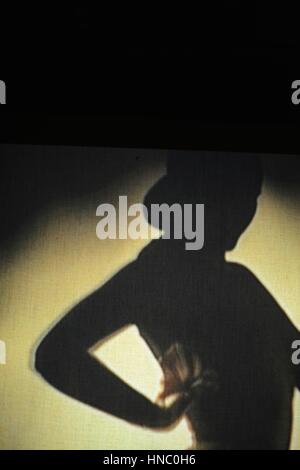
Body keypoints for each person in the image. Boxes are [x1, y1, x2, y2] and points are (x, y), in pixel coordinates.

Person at [35, 152, 300, 449]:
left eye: (251, 198)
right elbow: (55, 354)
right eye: (233, 197)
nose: (244, 212)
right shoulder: (154, 277)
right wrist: (150, 415)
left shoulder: (239, 281)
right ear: (195, 200)